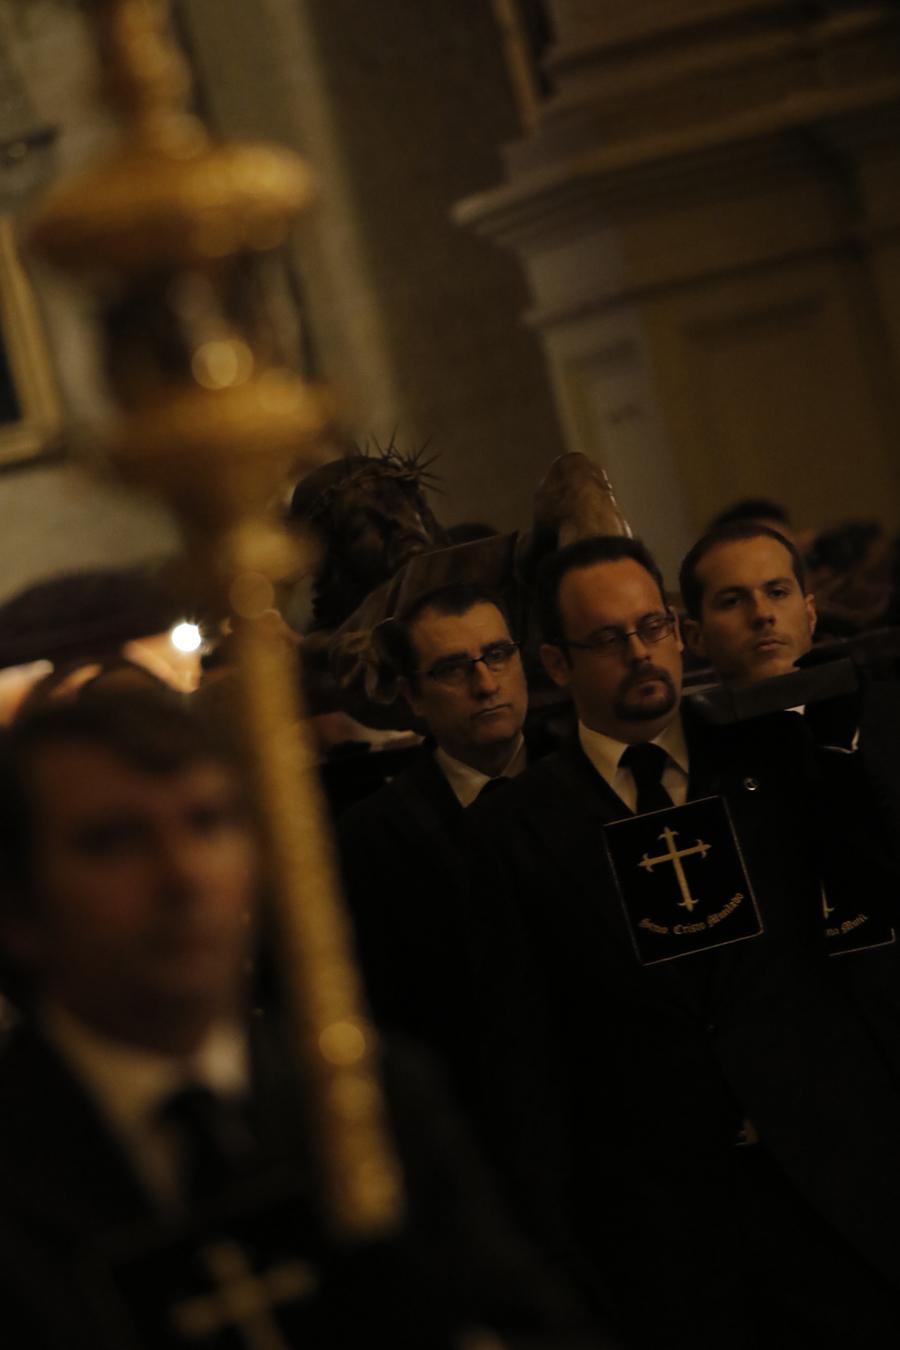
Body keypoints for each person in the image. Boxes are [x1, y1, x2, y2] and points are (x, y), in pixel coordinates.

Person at [0, 685, 604, 1350]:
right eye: (114, 840)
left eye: (206, 822)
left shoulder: (372, 1091)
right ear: (20, 908)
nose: (183, 876)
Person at [465, 534, 900, 1350]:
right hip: (668, 1223)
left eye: (653, 625)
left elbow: (878, 893)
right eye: (608, 638)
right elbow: (522, 1049)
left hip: (833, 1175)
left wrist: (836, 745)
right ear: (557, 665)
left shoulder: (769, 757)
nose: (639, 652)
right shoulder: (514, 828)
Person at [338, 584, 529, 1095]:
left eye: (497, 655)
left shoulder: (587, 778)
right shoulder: (373, 838)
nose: (486, 683)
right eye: (452, 669)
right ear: (413, 696)